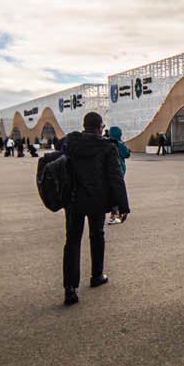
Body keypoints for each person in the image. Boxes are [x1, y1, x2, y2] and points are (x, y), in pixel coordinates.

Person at [59, 112, 130, 306]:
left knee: (72, 241)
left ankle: (70, 289)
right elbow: (115, 178)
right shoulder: (107, 146)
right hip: (96, 200)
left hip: (73, 199)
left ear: (84, 125)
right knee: (97, 235)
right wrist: (122, 206)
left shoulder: (71, 142)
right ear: (99, 127)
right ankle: (96, 275)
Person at [106, 126, 132, 225]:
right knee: (118, 192)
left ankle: (114, 212)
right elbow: (127, 154)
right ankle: (117, 213)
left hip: (108, 171)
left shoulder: (106, 143)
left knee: (111, 191)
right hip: (119, 170)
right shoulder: (120, 144)